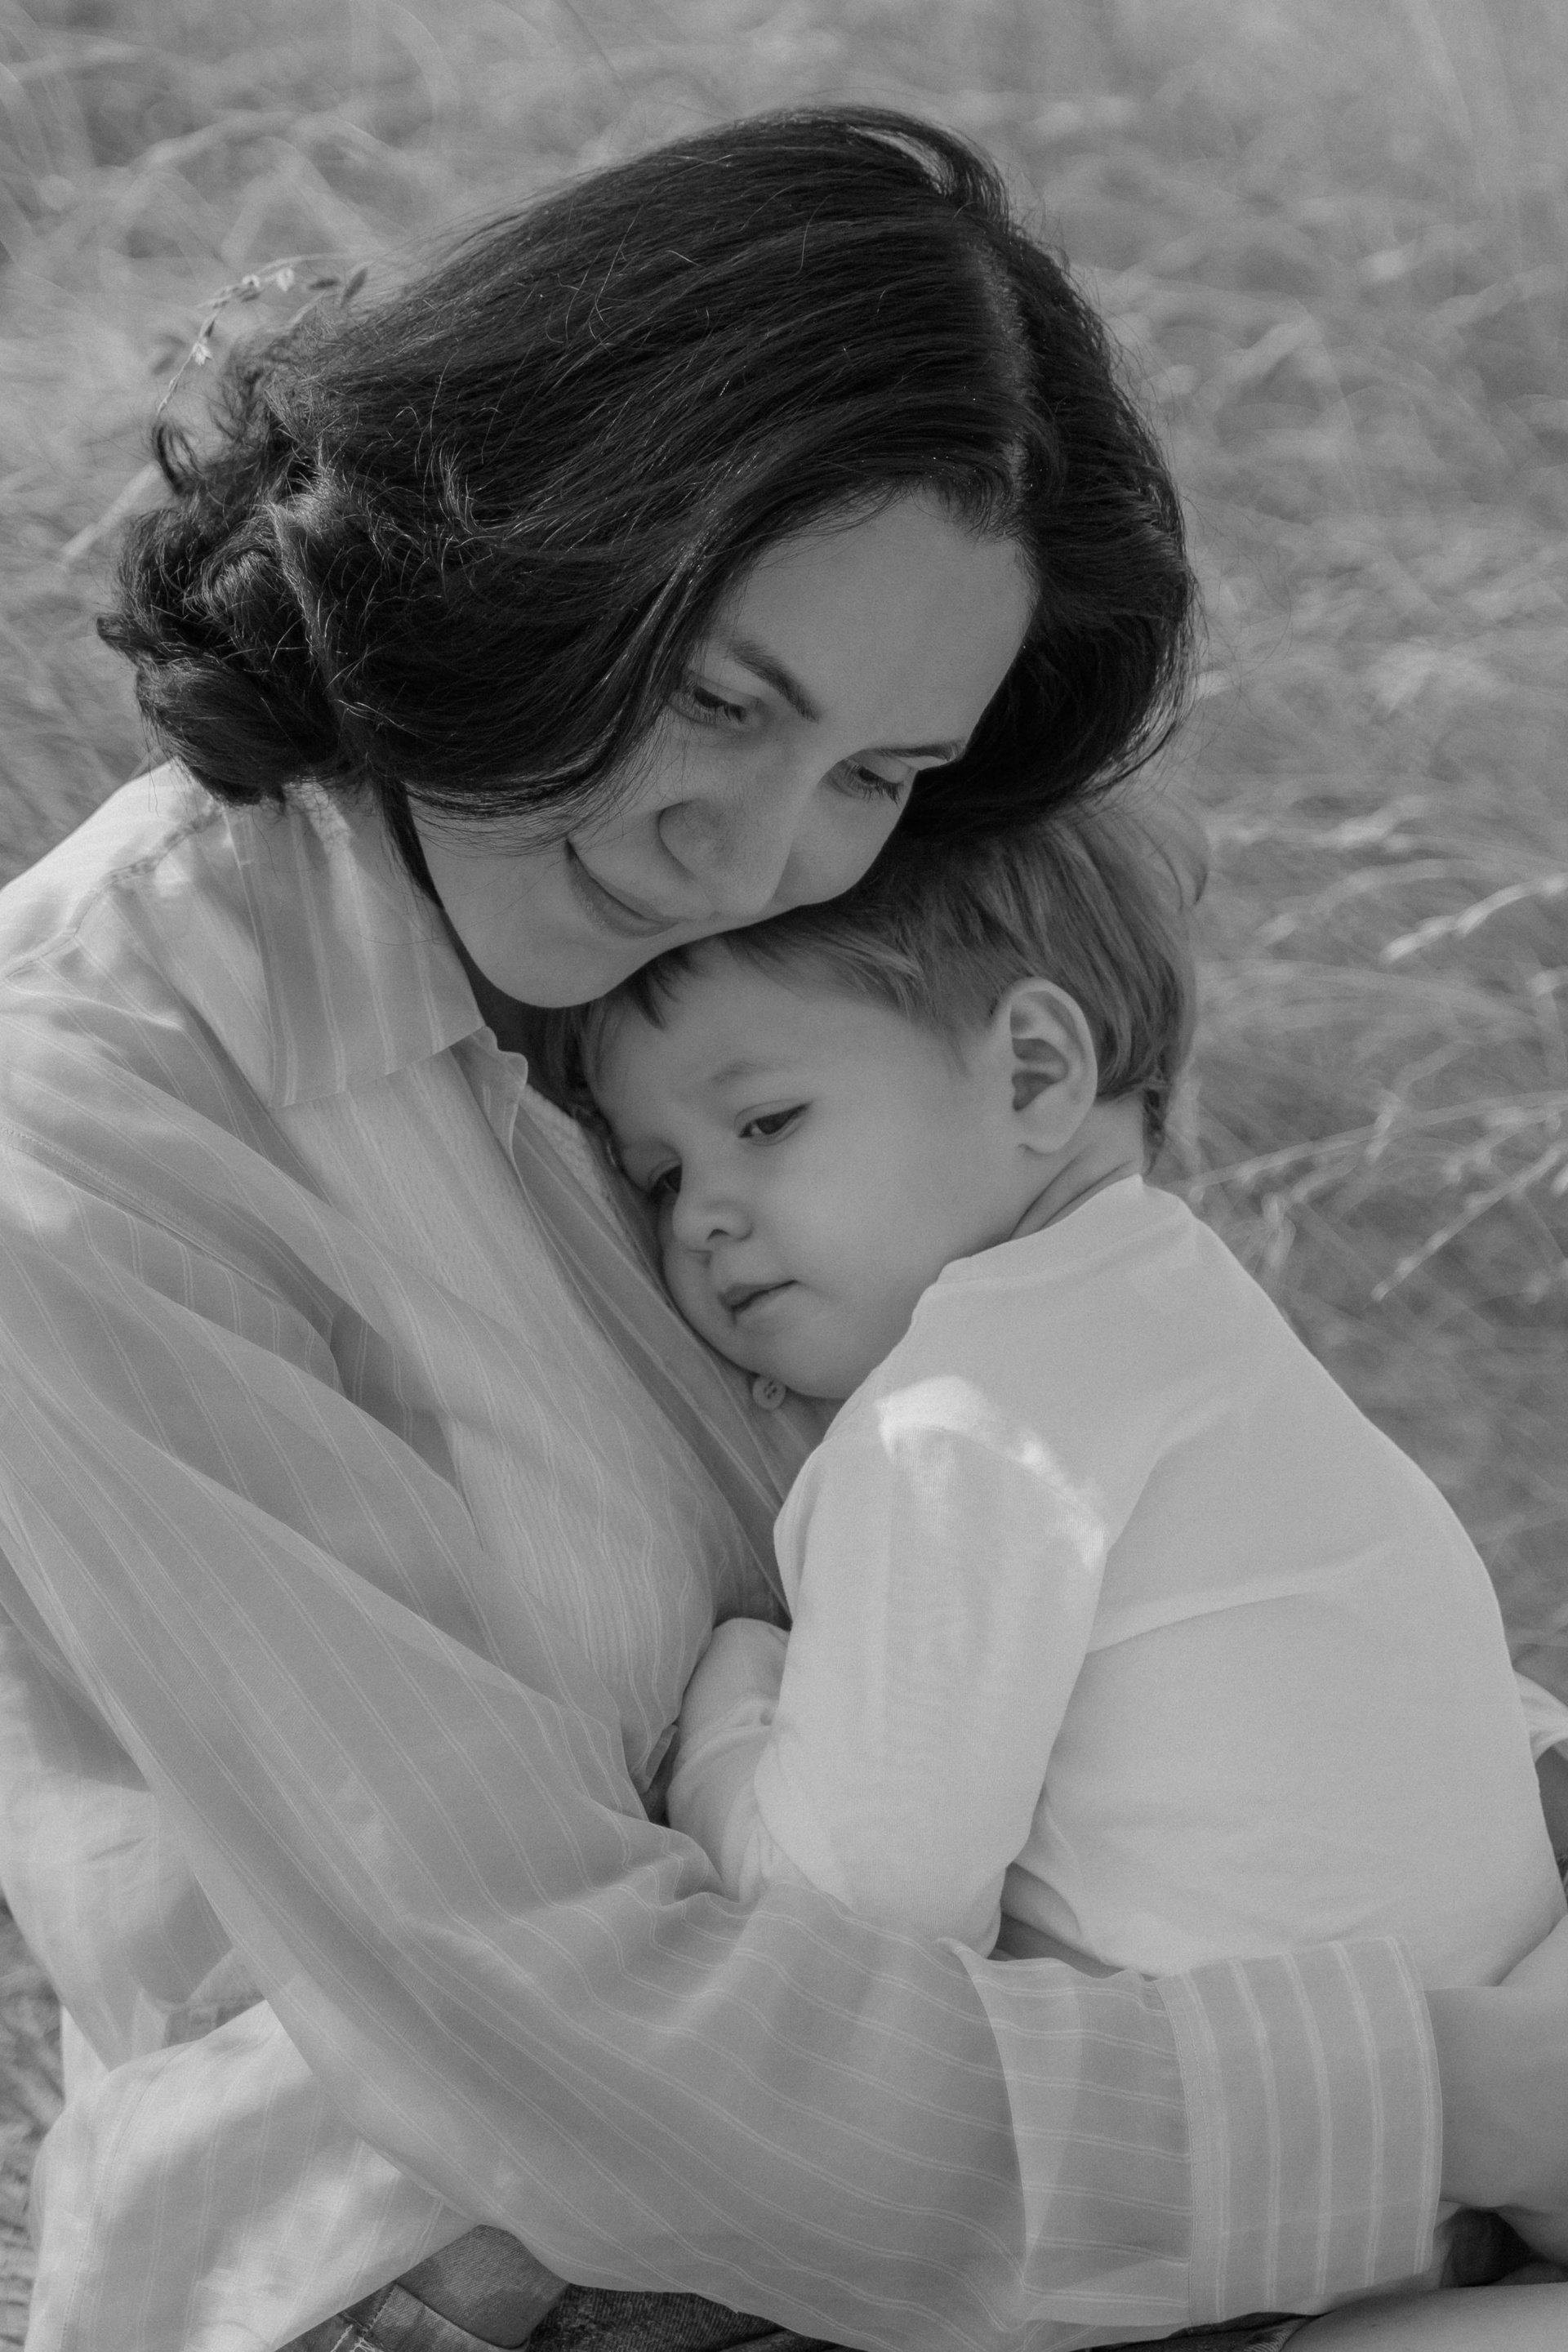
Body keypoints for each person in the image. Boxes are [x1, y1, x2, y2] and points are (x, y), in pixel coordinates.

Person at [1, 103, 1566, 2352]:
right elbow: (564, 2041)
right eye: (724, 701)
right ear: (515, 540)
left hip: (1050, 2152)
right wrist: (1461, 2097)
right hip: (483, 2282)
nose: (748, 854)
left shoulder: (802, 990)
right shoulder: (93, 1119)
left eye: (877, 775)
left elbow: (1175, 1578)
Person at [557, 804, 1564, 2314]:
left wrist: (733, 1699)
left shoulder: (961, 1419)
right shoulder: (1185, 1321)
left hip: (1282, 2191)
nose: (702, 1217)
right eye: (654, 1177)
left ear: (1034, 1071)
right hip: (1462, 2113)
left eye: (765, 1123)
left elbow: (855, 1920)